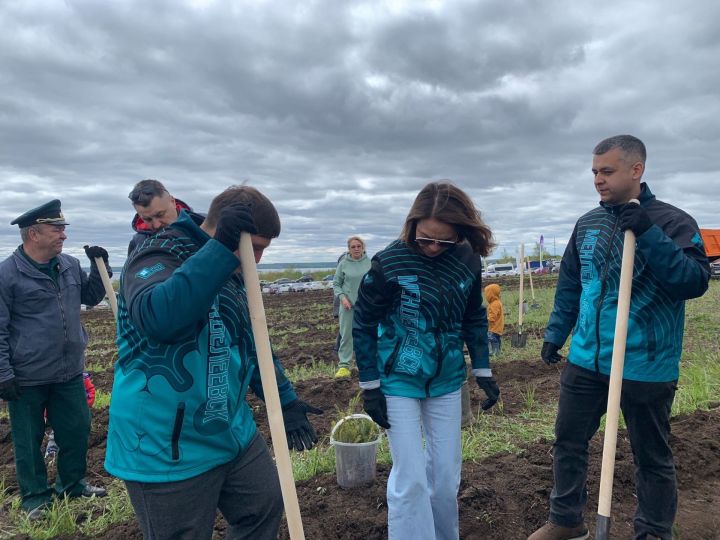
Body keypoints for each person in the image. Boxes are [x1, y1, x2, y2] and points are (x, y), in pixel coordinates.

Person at [105, 185, 322, 540]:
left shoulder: (234, 267)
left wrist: (286, 401)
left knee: (263, 506)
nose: (258, 261)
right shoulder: (157, 251)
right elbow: (157, 318)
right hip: (165, 443)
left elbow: (252, 341)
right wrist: (221, 250)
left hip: (230, 430)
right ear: (224, 230)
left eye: (264, 251)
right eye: (254, 249)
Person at [529, 135, 710, 540]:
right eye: (594, 171)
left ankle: (652, 532)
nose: (598, 179)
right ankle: (566, 520)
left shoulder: (672, 221)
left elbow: (693, 282)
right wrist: (557, 333)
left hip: (645, 363)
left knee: (652, 457)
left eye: (607, 171)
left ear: (636, 170)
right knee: (568, 442)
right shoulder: (587, 224)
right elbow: (572, 283)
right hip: (587, 359)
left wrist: (647, 233)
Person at [353, 181, 501, 540]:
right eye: (425, 239)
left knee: (446, 476)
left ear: (459, 233)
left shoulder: (467, 260)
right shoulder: (389, 262)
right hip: (399, 380)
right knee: (411, 477)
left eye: (444, 241)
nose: (434, 247)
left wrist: (482, 369)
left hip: (447, 379)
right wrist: (370, 386)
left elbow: (473, 316)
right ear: (412, 225)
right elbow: (363, 321)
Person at [0, 199, 110, 519]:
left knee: (76, 430)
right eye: (57, 228)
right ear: (33, 234)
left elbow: (90, 297)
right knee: (28, 439)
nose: (63, 234)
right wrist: (3, 373)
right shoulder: (7, 274)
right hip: (27, 375)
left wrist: (98, 266)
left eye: (63, 228)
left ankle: (73, 485)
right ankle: (35, 498)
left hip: (69, 371)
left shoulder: (70, 265)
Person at [127, 179, 205, 255]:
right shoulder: (137, 243)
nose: (156, 225)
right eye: (147, 219)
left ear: (173, 202)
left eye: (160, 214)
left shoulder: (206, 222)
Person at [333, 236, 371, 378]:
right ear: (349, 249)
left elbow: (374, 282)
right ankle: (344, 366)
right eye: (353, 247)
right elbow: (336, 284)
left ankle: (366, 364)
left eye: (358, 246)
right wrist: (343, 298)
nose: (356, 249)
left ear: (363, 248)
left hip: (366, 306)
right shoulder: (343, 264)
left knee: (367, 335)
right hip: (348, 306)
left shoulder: (370, 263)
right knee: (347, 336)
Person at [45, 372, 96, 459]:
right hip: (59, 413)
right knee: (57, 432)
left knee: (77, 431)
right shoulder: (51, 379)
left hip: (77, 411)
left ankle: (76, 451)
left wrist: (84, 404)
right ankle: (52, 450)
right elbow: (47, 398)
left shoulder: (81, 378)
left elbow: (90, 391)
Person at [484, 284, 504, 356]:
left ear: (490, 294)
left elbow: (492, 317)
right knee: (497, 338)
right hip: (498, 327)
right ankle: (498, 352)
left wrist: (486, 320)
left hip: (493, 327)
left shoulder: (494, 304)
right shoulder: (497, 302)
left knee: (491, 338)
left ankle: (495, 352)